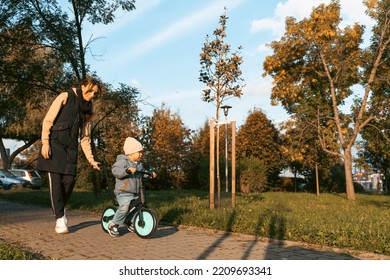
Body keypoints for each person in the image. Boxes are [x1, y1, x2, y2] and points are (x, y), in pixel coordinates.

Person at [36, 76, 101, 234]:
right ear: (83, 85)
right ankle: (59, 219)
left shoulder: (87, 111)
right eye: (91, 91)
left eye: (96, 94)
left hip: (71, 150)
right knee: (56, 184)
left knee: (69, 182)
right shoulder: (65, 96)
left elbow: (85, 138)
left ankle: (60, 210)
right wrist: (45, 142)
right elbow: (48, 121)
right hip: (54, 146)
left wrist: (92, 160)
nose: (93, 95)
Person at [107, 137, 157, 237]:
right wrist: (127, 171)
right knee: (125, 207)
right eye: (139, 152)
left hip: (134, 192)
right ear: (131, 153)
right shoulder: (123, 162)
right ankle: (113, 224)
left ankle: (128, 220)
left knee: (138, 205)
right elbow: (115, 171)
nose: (141, 154)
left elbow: (142, 174)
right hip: (123, 192)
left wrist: (149, 174)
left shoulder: (139, 165)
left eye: (142, 152)